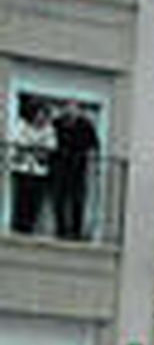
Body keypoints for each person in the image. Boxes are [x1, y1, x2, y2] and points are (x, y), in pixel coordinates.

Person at [49, 101, 98, 241]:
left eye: (74, 108)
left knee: (77, 200)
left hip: (78, 167)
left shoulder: (86, 125)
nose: (70, 111)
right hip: (60, 167)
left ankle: (76, 231)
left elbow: (94, 145)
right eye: (68, 108)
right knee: (59, 199)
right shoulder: (57, 123)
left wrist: (90, 158)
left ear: (78, 110)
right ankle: (61, 230)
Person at [10, 101, 55, 235]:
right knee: (20, 201)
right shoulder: (22, 125)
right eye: (39, 114)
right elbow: (18, 142)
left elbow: (50, 147)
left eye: (43, 115)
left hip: (39, 172)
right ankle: (17, 228)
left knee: (34, 203)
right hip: (22, 169)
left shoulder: (49, 130)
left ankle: (30, 228)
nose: (40, 118)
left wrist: (35, 147)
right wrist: (34, 147)